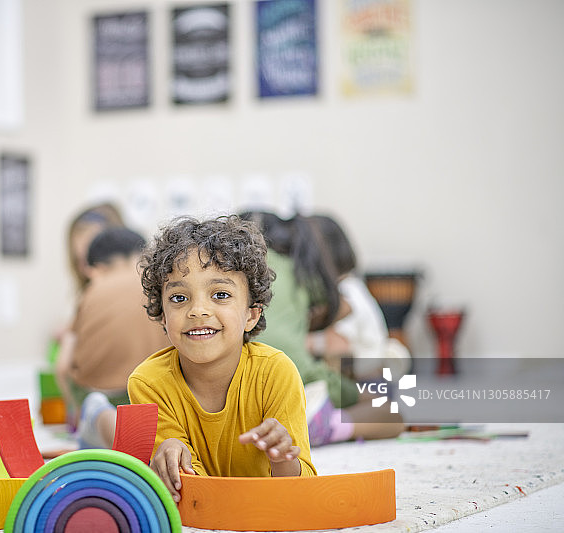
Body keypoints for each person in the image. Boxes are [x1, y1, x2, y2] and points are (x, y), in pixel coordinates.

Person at [128, 215, 316, 503]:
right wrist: (172, 458)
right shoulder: (147, 382)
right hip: (208, 510)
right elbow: (192, 496)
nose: (198, 310)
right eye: (179, 298)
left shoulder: (276, 372)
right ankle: (97, 416)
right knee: (114, 441)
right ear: (163, 316)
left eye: (220, 294)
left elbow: (303, 492)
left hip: (262, 512)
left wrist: (282, 458)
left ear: (251, 315)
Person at [248, 211, 404, 447]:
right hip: (302, 378)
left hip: (252, 380)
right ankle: (325, 426)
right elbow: (342, 313)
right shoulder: (296, 272)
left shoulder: (242, 271)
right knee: (389, 413)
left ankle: (314, 424)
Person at [54, 226, 170, 448]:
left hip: (102, 393)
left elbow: (62, 367)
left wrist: (74, 410)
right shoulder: (160, 286)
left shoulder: (92, 291)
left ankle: (94, 416)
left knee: (94, 408)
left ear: (95, 269)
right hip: (154, 394)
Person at [307, 214, 411, 380]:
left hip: (365, 375)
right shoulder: (351, 285)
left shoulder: (346, 291)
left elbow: (338, 346)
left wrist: (300, 340)